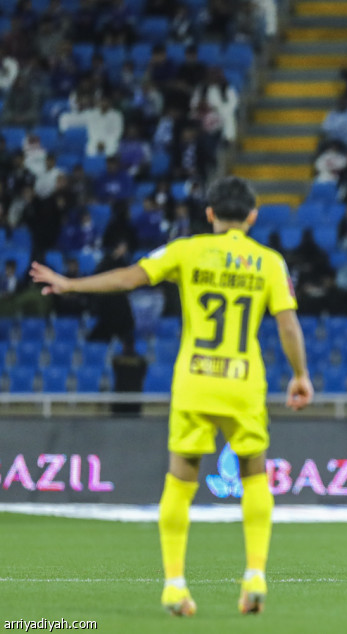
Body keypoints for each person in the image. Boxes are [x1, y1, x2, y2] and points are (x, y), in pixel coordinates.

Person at [30, 176, 314, 616]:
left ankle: (175, 586)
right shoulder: (270, 262)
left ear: (210, 214)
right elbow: (288, 325)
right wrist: (300, 375)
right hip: (243, 382)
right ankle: (255, 574)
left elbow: (130, 277)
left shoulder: (186, 250)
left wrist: (71, 285)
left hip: (195, 380)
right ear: (253, 216)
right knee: (254, 474)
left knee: (181, 479)